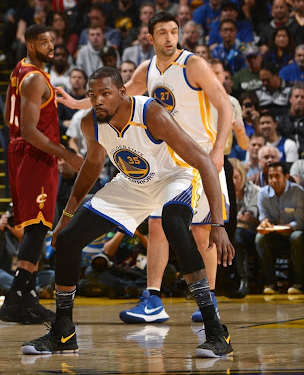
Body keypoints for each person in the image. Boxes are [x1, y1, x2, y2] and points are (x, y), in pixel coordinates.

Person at [21, 67, 234, 357]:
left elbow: (204, 163)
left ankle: (215, 330)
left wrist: (218, 223)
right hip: (131, 184)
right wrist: (64, 219)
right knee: (68, 240)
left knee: (173, 223)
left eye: (105, 94)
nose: (97, 101)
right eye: (92, 95)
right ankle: (63, 331)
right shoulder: (90, 124)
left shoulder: (152, 114)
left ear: (123, 93)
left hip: (174, 177)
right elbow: (93, 167)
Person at [57, 12, 232, 323]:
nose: (169, 37)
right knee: (157, 226)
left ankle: (209, 301)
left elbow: (224, 104)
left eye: (173, 31)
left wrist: (218, 150)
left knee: (200, 229)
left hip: (199, 157)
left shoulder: (193, 64)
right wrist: (77, 104)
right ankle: (152, 297)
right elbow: (112, 94)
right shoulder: (146, 69)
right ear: (149, 38)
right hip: (161, 156)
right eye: (162, 32)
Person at [0, 24, 83, 325]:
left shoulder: (20, 70)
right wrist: (67, 154)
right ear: (30, 44)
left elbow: (9, 115)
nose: (51, 47)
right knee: (37, 226)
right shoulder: (34, 78)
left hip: (22, 151)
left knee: (38, 225)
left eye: (53, 41)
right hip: (34, 154)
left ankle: (27, 298)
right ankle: (14, 298)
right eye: (44, 42)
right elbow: (30, 130)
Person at [256, 161, 304, 294]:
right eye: (270, 177)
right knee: (260, 238)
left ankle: (299, 284)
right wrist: (264, 224)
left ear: (286, 176)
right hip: (275, 235)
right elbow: (264, 218)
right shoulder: (263, 194)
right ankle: (270, 284)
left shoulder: (298, 192)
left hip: (294, 234)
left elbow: (300, 222)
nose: (273, 180)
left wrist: (283, 227)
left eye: (277, 176)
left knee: (297, 237)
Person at [229, 158, 260, 296]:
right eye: (230, 178)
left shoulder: (255, 191)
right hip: (231, 232)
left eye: (236, 177)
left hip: (251, 233)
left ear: (242, 175)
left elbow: (252, 215)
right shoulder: (223, 191)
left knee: (238, 235)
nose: (234, 181)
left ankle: (244, 280)